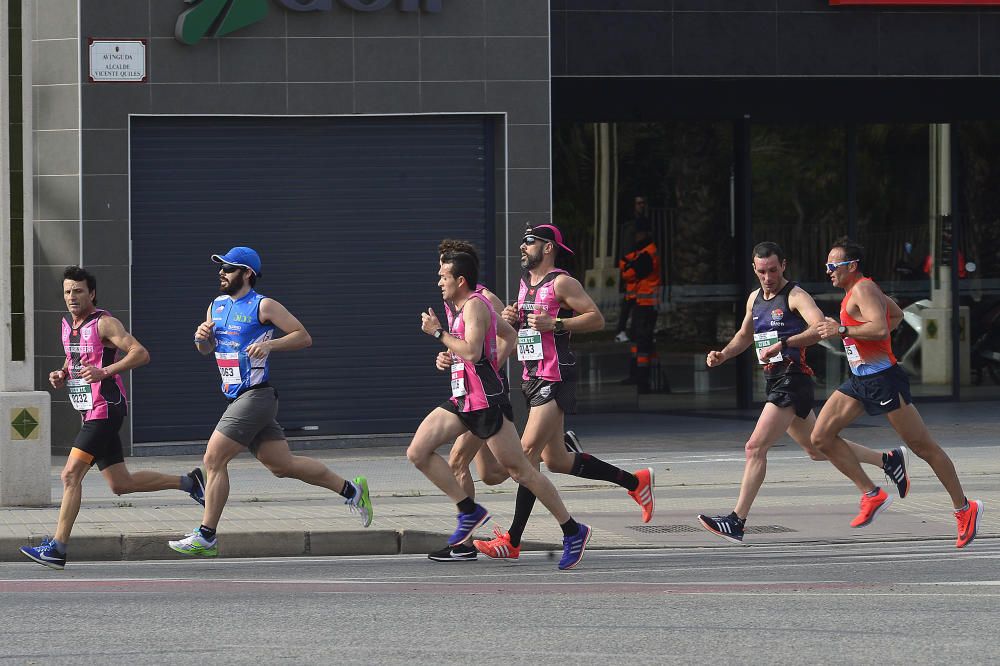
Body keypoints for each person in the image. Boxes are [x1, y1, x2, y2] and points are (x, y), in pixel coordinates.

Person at [696, 243, 909, 545]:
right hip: (775, 379)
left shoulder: (795, 296)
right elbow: (745, 335)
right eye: (761, 272)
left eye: (772, 270)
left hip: (793, 380)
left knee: (755, 447)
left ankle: (736, 520)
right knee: (816, 448)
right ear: (754, 270)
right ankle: (887, 460)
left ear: (783, 265)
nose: (767, 277)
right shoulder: (755, 299)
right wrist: (724, 354)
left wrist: (785, 344)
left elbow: (820, 328)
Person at [168, 247, 373, 558]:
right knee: (282, 465)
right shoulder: (216, 305)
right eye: (221, 268)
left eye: (230, 268)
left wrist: (270, 345)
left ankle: (206, 535)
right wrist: (201, 338)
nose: (222, 273)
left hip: (257, 396)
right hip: (236, 397)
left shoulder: (263, 305)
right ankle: (352, 490)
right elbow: (206, 350)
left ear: (247, 273)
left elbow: (304, 336)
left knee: (213, 459)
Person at [472, 224, 654, 562]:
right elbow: (526, 326)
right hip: (531, 377)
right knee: (555, 460)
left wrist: (557, 324)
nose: (523, 248)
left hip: (555, 377)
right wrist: (512, 317)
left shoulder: (562, 282)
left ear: (549, 247)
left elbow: (596, 319)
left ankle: (517, 539)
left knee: (526, 453)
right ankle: (635, 482)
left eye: (529, 243)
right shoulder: (526, 284)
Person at [408, 250, 592, 570]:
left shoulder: (477, 305)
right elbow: (468, 351)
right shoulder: (456, 307)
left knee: (521, 471)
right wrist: (447, 357)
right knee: (418, 451)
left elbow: (474, 350)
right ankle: (469, 511)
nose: (439, 282)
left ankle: (573, 530)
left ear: (460, 280)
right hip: (462, 399)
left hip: (486, 402)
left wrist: (439, 334)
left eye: (444, 277)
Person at [19, 266, 205, 570]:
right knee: (121, 484)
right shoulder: (68, 325)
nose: (72, 297)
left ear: (91, 293)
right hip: (89, 410)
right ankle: (189, 482)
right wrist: (62, 373)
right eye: (67, 291)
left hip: (105, 408)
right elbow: (76, 355)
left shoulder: (105, 323)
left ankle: (58, 548)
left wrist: (105, 371)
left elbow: (140, 353)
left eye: (78, 290)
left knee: (69, 475)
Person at [812, 237, 982, 548]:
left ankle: (964, 508)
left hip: (884, 380)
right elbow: (896, 316)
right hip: (860, 379)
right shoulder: (860, 290)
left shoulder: (863, 288)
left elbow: (879, 328)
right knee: (820, 437)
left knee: (923, 447)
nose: (828, 271)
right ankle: (872, 493)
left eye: (833, 266)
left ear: (851, 266)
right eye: (827, 266)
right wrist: (849, 332)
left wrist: (842, 330)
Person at [619, 220, 662, 392]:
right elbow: (625, 264)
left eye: (637, 234)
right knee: (638, 339)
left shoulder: (648, 253)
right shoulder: (643, 252)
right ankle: (638, 375)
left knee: (643, 341)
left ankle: (643, 379)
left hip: (647, 304)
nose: (635, 237)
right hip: (641, 304)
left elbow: (631, 272)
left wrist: (628, 268)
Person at [614, 196, 650, 343]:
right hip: (632, 271)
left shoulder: (641, 223)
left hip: (635, 270)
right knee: (629, 303)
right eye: (638, 203)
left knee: (634, 304)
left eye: (643, 203)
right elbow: (628, 251)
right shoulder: (631, 226)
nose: (641, 206)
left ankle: (629, 331)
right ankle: (622, 330)